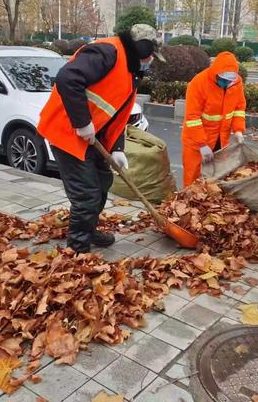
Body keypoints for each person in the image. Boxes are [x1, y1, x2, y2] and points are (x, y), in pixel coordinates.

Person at [37, 24, 165, 254]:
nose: (151, 61)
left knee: (102, 183)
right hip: (67, 132)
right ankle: (77, 251)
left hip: (93, 137)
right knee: (86, 195)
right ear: (142, 48)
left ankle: (89, 229)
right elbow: (68, 78)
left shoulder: (131, 68)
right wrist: (82, 122)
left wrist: (117, 147)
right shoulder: (107, 52)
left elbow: (116, 113)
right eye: (151, 55)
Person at [181, 51, 246, 187]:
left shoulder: (236, 83)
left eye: (229, 80)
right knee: (193, 177)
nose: (225, 83)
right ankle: (188, 204)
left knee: (216, 177)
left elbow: (239, 109)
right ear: (215, 73)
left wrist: (238, 130)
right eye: (223, 79)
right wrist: (202, 144)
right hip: (196, 141)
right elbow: (193, 117)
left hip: (221, 141)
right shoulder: (199, 83)